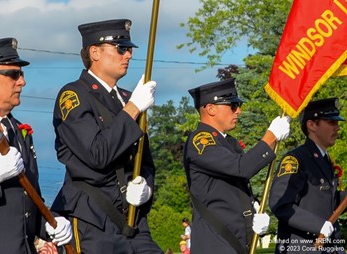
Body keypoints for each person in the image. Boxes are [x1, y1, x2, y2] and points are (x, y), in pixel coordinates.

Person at [50, 19, 162, 253]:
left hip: (133, 219)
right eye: (121, 48)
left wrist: (146, 188)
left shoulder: (127, 97)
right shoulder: (73, 95)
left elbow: (145, 160)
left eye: (129, 49)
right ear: (95, 52)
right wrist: (133, 108)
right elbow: (97, 154)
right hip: (94, 220)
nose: (128, 55)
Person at [0, 38, 72, 253]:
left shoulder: (18, 130)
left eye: (21, 74)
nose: (22, 82)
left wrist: (50, 225)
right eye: (13, 74)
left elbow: (28, 196)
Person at [183, 78, 291, 254]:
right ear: (210, 109)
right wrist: (271, 135)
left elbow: (235, 185)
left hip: (235, 241)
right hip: (215, 243)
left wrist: (254, 208)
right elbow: (241, 168)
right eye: (232, 105)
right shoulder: (200, 140)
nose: (239, 111)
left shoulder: (228, 142)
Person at [269, 98, 346, 253]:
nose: (337, 128)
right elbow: (281, 204)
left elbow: (326, 202)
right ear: (311, 125)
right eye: (331, 123)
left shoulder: (324, 160)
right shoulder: (296, 160)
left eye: (337, 123)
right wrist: (319, 226)